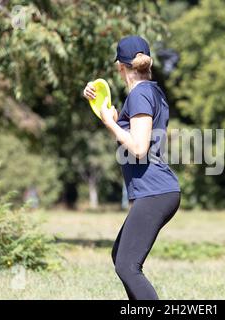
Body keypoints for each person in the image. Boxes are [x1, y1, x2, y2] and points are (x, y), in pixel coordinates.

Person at [83, 35, 181, 300]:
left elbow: (138, 148)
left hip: (155, 191)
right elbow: (136, 136)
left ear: (120, 67)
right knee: (120, 257)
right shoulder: (153, 91)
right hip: (158, 190)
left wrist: (109, 123)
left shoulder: (139, 95)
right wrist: (104, 108)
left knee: (127, 265)